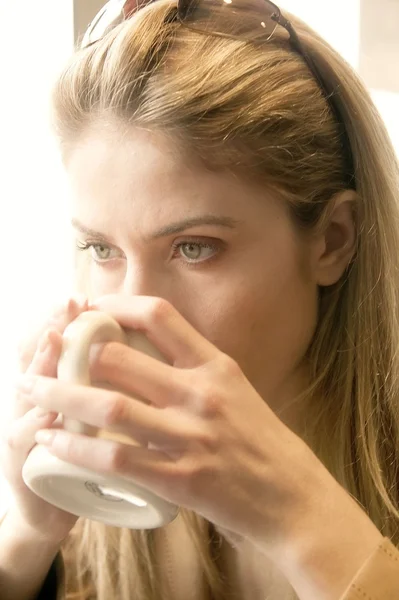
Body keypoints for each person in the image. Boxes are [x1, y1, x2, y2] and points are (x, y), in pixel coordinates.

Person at [1, 0, 399, 598]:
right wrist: (29, 538)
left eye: (194, 248)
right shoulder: (105, 510)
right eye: (101, 249)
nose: (135, 311)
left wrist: (299, 517)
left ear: (333, 240)